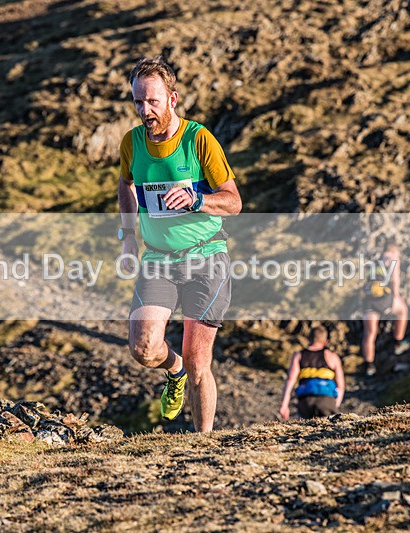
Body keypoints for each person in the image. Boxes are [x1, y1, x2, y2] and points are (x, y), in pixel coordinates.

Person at [117, 56, 242, 433]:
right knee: (143, 347)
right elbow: (126, 185)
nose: (145, 110)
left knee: (198, 359)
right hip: (157, 259)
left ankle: (203, 443)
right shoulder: (132, 142)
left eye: (152, 101)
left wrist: (197, 200)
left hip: (206, 257)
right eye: (138, 101)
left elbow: (234, 202)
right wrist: (127, 238)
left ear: (172, 98)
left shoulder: (198, 139)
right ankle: (174, 372)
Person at [361, 241, 410, 376]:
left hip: (369, 302)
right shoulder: (393, 259)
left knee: (369, 334)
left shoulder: (375, 262)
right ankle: (398, 342)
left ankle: (369, 366)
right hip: (384, 299)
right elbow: (394, 279)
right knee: (402, 311)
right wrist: (397, 296)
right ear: (395, 251)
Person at [279, 325, 345, 420]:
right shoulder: (332, 357)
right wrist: (336, 403)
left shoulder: (299, 356)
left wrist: (284, 405)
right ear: (325, 341)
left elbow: (290, 380)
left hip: (306, 400)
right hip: (327, 400)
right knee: (327, 430)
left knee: (306, 430)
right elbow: (341, 386)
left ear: (308, 338)